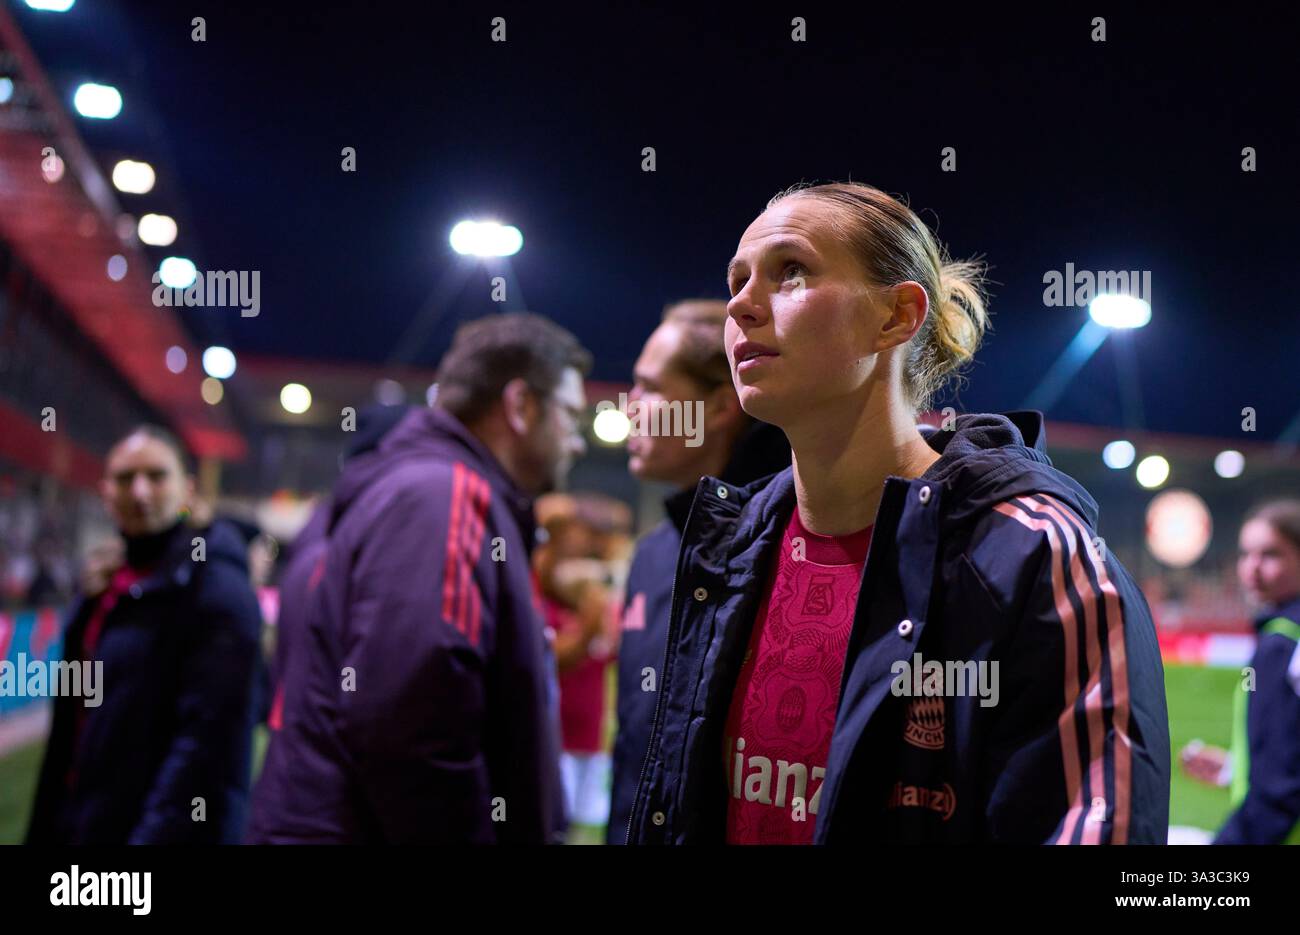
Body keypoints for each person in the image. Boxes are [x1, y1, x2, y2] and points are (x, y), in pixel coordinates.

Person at [627, 182, 1170, 844]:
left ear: (896, 316)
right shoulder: (732, 547)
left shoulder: (1032, 556)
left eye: (790, 271)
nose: (740, 303)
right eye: (737, 279)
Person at [248, 312, 589, 844]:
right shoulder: (443, 492)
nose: (577, 442)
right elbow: (410, 721)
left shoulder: (422, 484)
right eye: (570, 415)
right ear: (521, 406)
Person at [26, 425, 263, 844]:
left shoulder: (216, 587)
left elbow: (206, 750)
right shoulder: (101, 589)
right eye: (124, 478)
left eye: (156, 476)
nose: (139, 492)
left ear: (188, 491)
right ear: (104, 492)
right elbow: (74, 722)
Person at [607, 299, 789, 843]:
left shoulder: (788, 541)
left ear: (718, 407)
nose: (630, 406)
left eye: (650, 388)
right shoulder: (655, 551)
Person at [1181, 500, 1300, 844]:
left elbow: (1279, 791)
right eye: (1246, 554)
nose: (1253, 568)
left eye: (1272, 555)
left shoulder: (1282, 643)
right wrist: (1237, 768)